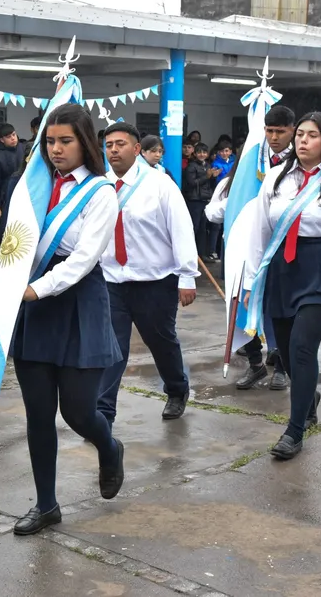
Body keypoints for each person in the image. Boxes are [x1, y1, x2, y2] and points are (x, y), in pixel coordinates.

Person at [9, 103, 124, 536]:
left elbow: (83, 259)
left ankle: (109, 448)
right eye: (50, 141)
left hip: (76, 302)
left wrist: (34, 290)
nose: (55, 149)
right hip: (34, 306)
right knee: (38, 414)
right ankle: (46, 505)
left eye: (65, 141)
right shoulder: (33, 186)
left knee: (79, 413)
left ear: (85, 143)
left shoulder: (100, 192)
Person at [244, 112, 321, 460]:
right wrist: (253, 280)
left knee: (301, 347)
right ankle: (308, 396)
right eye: (300, 134)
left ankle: (294, 430)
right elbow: (260, 232)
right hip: (283, 269)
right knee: (285, 351)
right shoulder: (275, 178)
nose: (303, 140)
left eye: (312, 135)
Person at [97, 122, 199, 426]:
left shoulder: (160, 184)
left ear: (137, 149)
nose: (114, 150)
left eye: (121, 144)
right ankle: (103, 413)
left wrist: (187, 276)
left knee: (161, 342)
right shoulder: (99, 186)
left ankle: (177, 389)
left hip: (155, 281)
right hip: (112, 281)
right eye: (109, 145)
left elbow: (181, 230)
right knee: (112, 348)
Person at [208, 105, 296, 390]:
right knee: (243, 303)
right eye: (268, 131)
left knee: (280, 308)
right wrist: (232, 206)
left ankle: (281, 366)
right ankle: (256, 363)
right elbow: (213, 212)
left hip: (282, 246)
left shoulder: (298, 162)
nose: (273, 137)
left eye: (279, 131)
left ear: (292, 131)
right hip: (245, 245)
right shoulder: (249, 164)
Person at [0, 123, 26, 240]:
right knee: (7, 231)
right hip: (6, 197)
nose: (13, 138)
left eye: (14, 135)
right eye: (8, 137)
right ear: (1, 140)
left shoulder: (24, 149)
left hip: (25, 195)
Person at [182, 143, 216, 258]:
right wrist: (207, 176)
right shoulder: (191, 166)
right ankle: (190, 254)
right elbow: (192, 183)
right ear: (195, 154)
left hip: (205, 199)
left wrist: (213, 177)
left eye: (204, 152)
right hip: (194, 200)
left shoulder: (208, 165)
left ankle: (202, 254)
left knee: (203, 228)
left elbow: (209, 184)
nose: (202, 154)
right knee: (194, 227)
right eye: (199, 152)